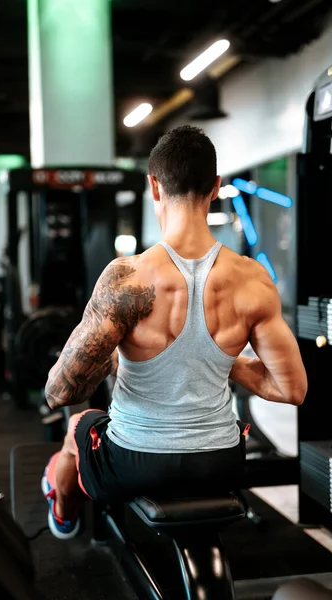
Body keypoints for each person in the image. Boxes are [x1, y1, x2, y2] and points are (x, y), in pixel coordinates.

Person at [41, 125, 308, 539]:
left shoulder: (126, 277)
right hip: (220, 462)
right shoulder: (253, 280)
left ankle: (62, 512)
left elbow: (58, 391)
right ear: (215, 187)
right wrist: (226, 360)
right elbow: (292, 389)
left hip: (135, 461)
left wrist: (110, 359)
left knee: (77, 428)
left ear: (154, 186)